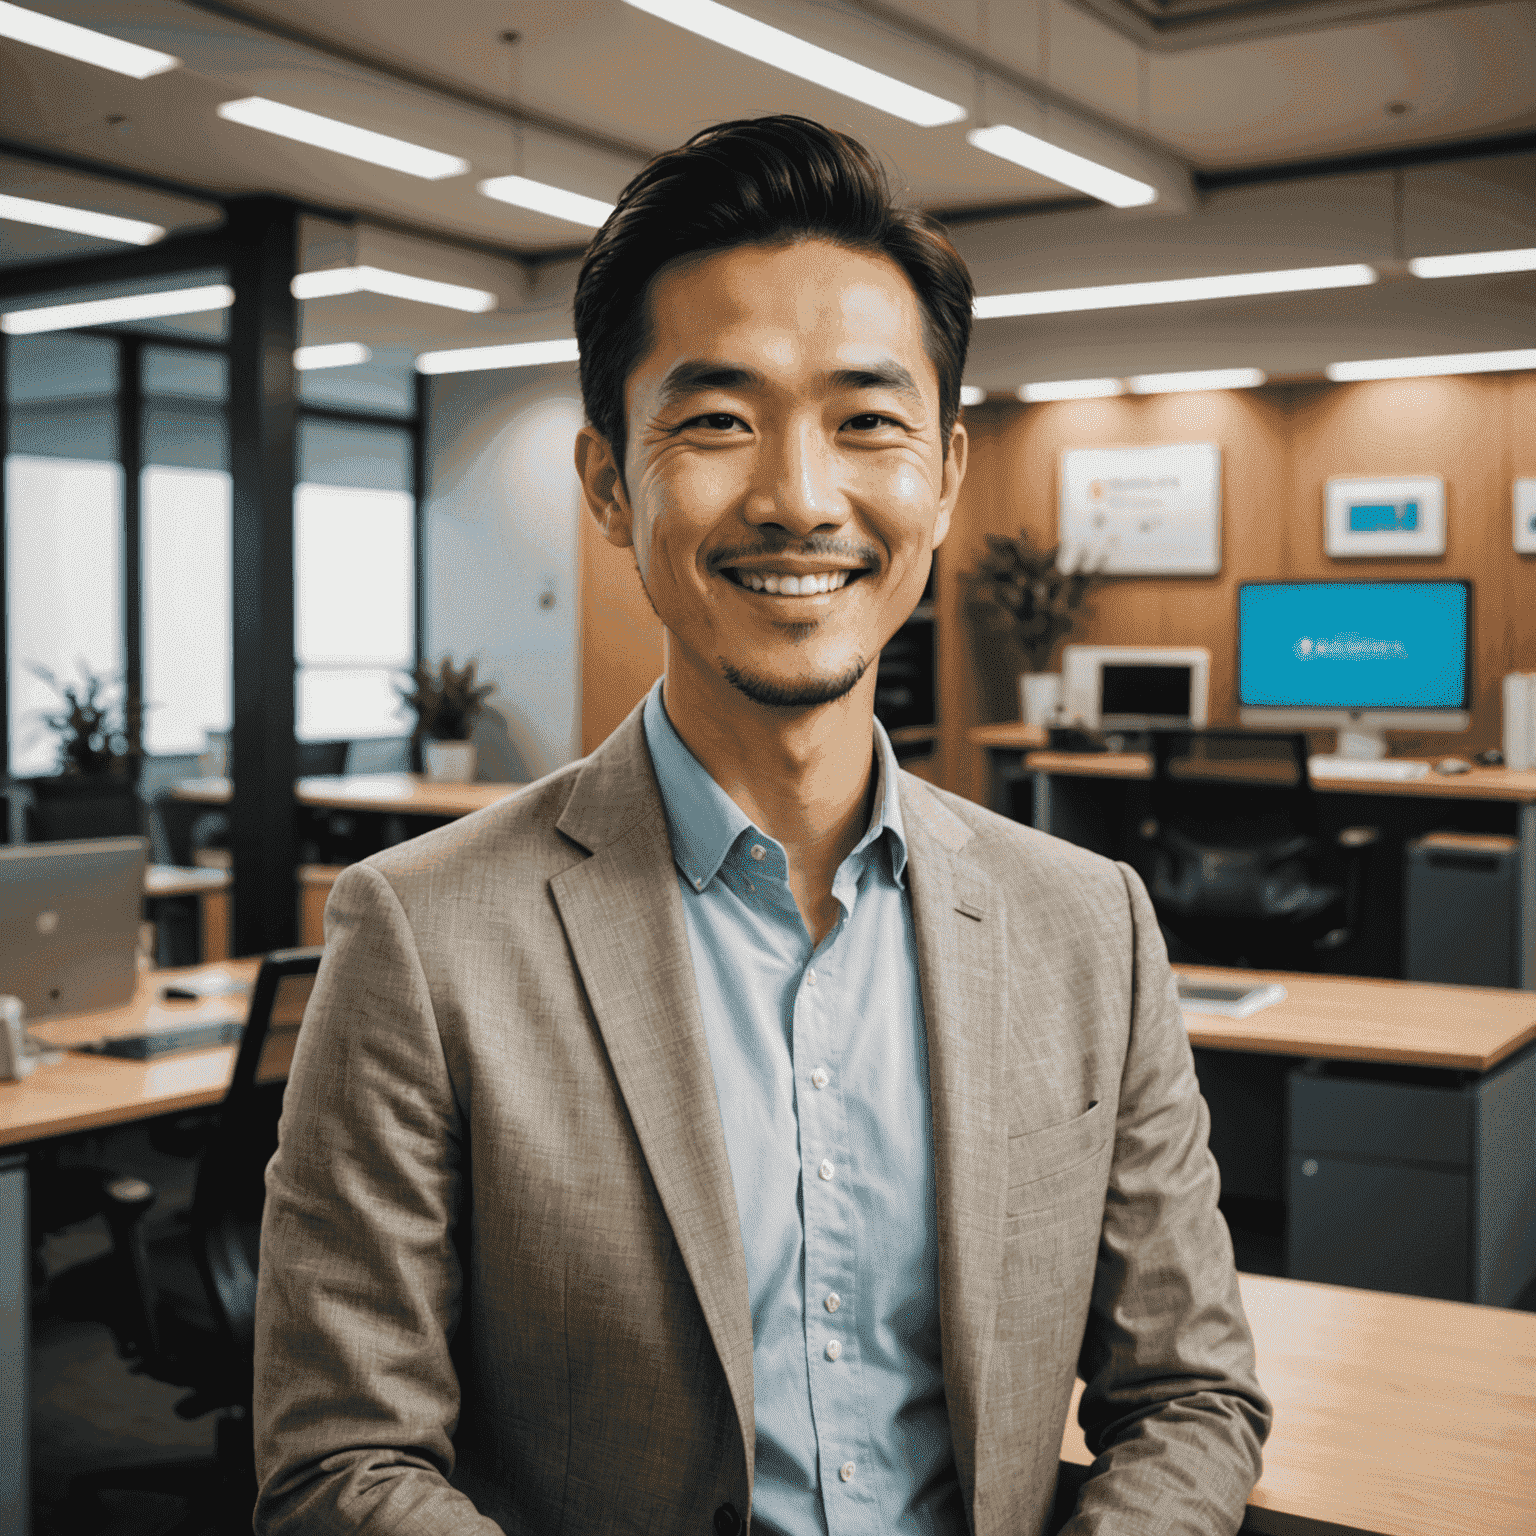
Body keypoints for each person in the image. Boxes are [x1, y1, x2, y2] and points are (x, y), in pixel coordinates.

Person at [253, 115, 1270, 1536]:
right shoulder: (424, 936)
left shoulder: (1086, 925)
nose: (800, 497)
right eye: (718, 419)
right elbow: (340, 1463)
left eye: (868, 421)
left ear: (946, 476)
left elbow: (1191, 1398)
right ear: (611, 482)